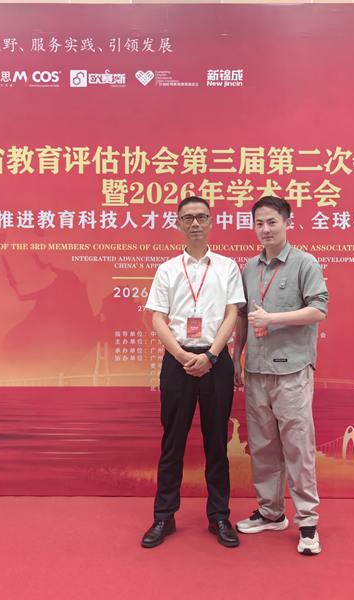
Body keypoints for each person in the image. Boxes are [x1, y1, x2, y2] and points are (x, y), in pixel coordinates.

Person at [141, 196, 246, 549]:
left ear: (212, 222)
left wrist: (211, 355)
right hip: (178, 361)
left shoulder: (228, 267)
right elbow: (158, 318)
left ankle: (219, 517)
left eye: (201, 217)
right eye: (188, 218)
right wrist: (183, 355)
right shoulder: (167, 269)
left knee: (217, 443)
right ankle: (164, 516)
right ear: (178, 224)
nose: (195, 223)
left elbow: (231, 314)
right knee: (172, 442)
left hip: (216, 361)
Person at [232, 196, 328, 556]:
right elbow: (243, 318)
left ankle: (308, 523)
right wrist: (237, 358)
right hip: (256, 371)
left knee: (297, 447)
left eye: (272, 221)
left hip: (292, 371)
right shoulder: (249, 267)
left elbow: (319, 310)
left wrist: (272, 318)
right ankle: (271, 513)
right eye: (259, 223)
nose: (265, 229)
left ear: (288, 222)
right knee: (262, 447)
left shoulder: (305, 263)